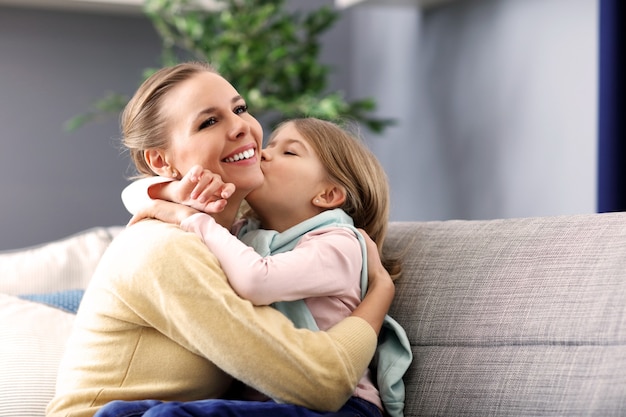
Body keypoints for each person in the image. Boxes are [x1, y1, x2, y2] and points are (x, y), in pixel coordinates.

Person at [46, 62, 396, 417]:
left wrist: (174, 193)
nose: (242, 127)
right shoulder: (168, 247)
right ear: (160, 161)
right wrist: (379, 293)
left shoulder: (234, 237)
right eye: (208, 122)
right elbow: (322, 385)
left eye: (240, 109)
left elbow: (141, 196)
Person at [119, 118, 412, 417]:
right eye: (270, 144)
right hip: (269, 400)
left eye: (289, 152)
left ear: (327, 195)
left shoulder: (340, 244)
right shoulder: (246, 233)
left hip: (343, 407)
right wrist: (177, 194)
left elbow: (257, 281)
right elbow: (132, 194)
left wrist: (191, 218)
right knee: (118, 412)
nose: (263, 153)